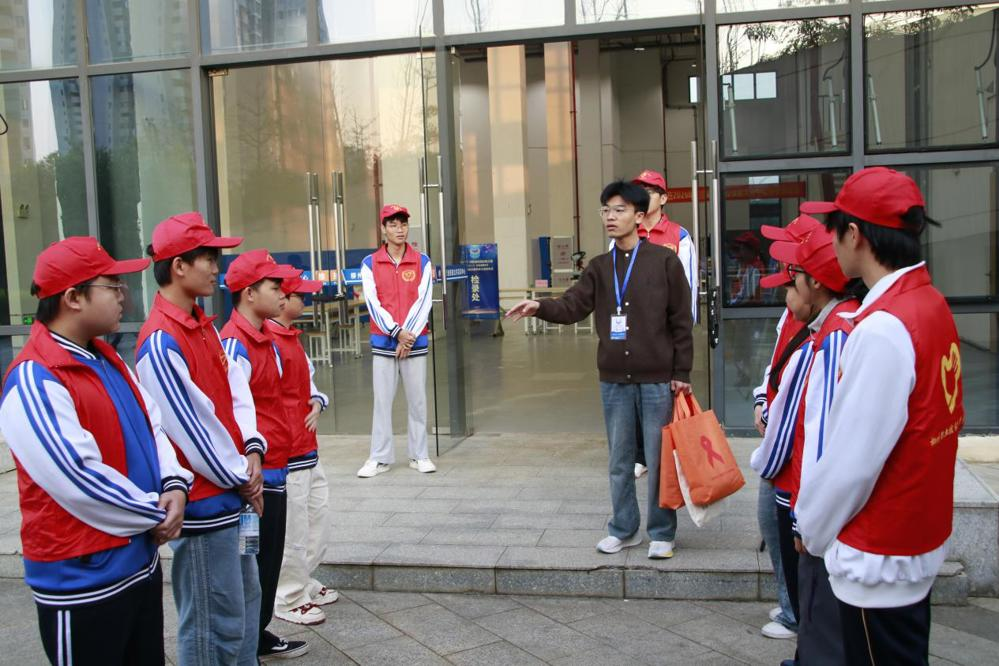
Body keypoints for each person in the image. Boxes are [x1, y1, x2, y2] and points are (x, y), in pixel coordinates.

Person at [796, 167, 964, 665]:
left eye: (835, 228)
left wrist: (812, 527)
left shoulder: (883, 327)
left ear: (855, 235)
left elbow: (852, 462)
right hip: (913, 536)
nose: (831, 240)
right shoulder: (928, 304)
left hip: (879, 553)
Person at [0, 237, 193, 664]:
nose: (123, 295)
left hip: (136, 564)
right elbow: (78, 479)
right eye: (113, 285)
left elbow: (152, 424)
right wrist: (158, 513)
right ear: (72, 297)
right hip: (82, 581)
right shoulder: (35, 378)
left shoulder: (106, 357)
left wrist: (176, 484)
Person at [507, 180, 693, 559]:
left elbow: (680, 321)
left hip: (657, 379)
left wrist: (682, 373)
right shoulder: (599, 267)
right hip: (614, 380)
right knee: (620, 460)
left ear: (640, 217)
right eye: (606, 210)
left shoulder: (664, 261)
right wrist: (540, 306)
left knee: (658, 461)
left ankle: (661, 531)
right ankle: (624, 529)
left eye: (620, 210)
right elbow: (573, 306)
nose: (610, 216)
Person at [135, 212, 265, 666]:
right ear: (178, 266)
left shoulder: (201, 324)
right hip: (208, 503)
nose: (217, 267)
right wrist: (243, 477)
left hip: (231, 494)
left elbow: (234, 395)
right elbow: (190, 431)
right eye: (208, 257)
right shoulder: (160, 342)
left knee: (244, 610)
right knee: (214, 624)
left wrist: (252, 449)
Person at [769, 226, 860, 666]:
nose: (787, 294)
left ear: (817, 283)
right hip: (808, 498)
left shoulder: (836, 336)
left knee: (818, 599)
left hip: (812, 504)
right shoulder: (831, 327)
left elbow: (823, 438)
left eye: (792, 282)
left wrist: (808, 519)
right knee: (814, 602)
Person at [220, 250, 311, 659]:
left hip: (275, 465)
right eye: (274, 287)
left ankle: (257, 634)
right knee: (253, 564)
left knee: (267, 562)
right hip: (254, 476)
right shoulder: (235, 343)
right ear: (249, 292)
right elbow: (231, 413)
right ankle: (246, 640)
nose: (283, 292)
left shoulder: (264, 338)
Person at [748, 213, 820, 641]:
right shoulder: (792, 310)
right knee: (770, 525)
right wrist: (762, 400)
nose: (783, 265)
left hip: (789, 451)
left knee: (788, 529)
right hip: (777, 442)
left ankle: (798, 612)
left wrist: (768, 455)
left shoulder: (826, 327)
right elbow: (775, 368)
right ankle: (793, 603)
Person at [267, 275, 338, 626]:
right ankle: (288, 595)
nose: (306, 302)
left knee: (317, 521)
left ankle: (302, 579)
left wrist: (318, 400)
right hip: (288, 452)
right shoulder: (265, 340)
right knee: (293, 530)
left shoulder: (290, 338)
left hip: (307, 447)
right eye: (301, 296)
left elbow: (307, 383)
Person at [628, 169, 699, 480]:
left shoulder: (679, 237)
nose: (643, 194)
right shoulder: (626, 234)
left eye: (650, 190)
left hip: (665, 335)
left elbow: (690, 290)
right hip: (631, 333)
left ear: (664, 198)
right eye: (639, 189)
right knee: (632, 393)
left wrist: (681, 335)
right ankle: (641, 454)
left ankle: (668, 451)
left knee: (664, 394)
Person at [357, 204, 435, 478]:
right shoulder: (369, 263)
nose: (399, 229)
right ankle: (379, 458)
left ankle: (419, 455)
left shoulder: (423, 261)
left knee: (417, 401)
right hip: (384, 342)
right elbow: (372, 303)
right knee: (382, 401)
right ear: (383, 229)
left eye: (403, 224)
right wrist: (396, 333)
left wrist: (407, 337)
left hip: (413, 342)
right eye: (393, 224)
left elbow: (424, 302)